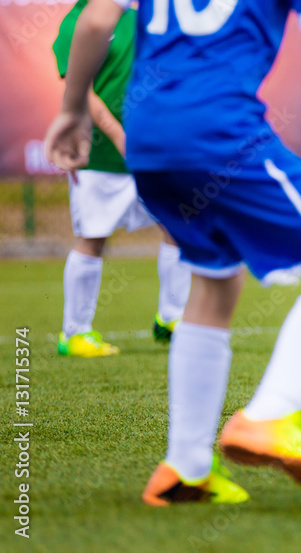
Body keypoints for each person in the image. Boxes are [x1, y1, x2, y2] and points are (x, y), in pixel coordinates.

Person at [45, 0, 301, 505]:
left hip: (147, 138)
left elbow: (97, 20)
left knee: (215, 282)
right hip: (220, 134)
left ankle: (184, 469)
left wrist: (73, 111)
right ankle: (271, 415)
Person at [52, 0, 190, 358]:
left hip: (151, 153)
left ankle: (173, 318)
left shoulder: (139, 17)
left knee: (179, 227)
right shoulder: (77, 22)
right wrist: (117, 135)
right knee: (92, 240)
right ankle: (75, 333)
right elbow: (80, 91)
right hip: (98, 157)